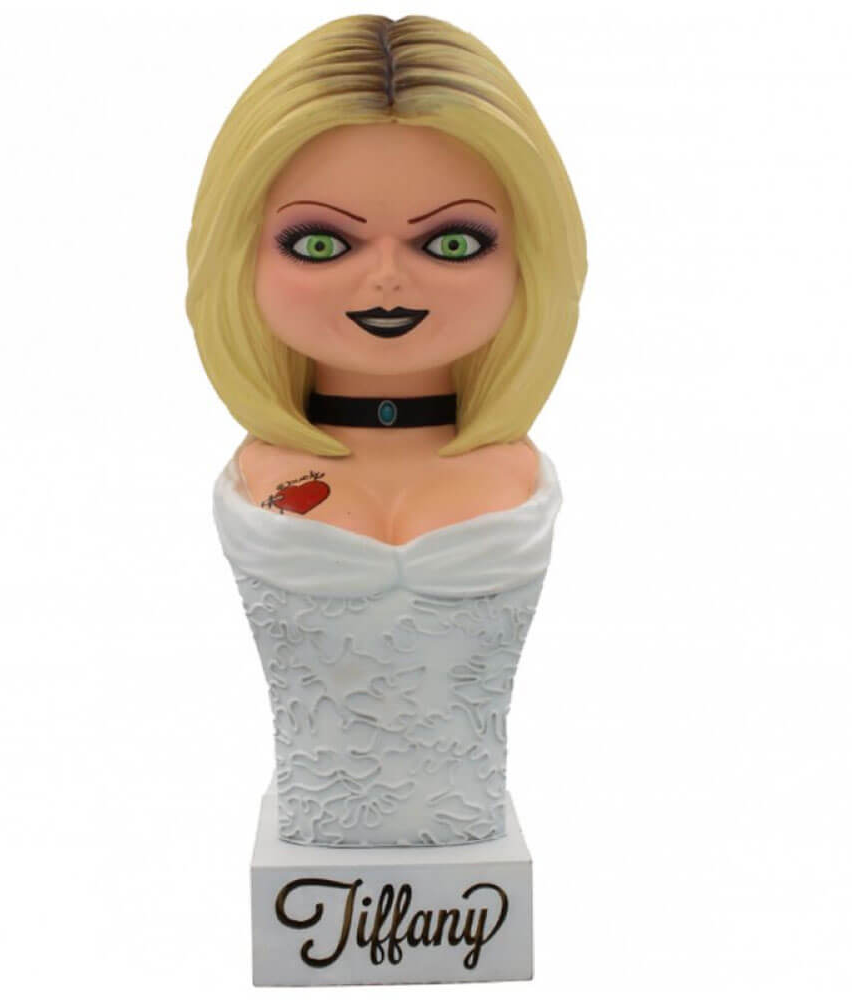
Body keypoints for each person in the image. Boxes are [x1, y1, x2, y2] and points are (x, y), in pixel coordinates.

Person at [187, 14, 586, 846]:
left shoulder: (512, 474)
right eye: (321, 242)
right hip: (314, 853)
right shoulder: (268, 479)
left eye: (452, 241)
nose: (388, 279)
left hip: (472, 860)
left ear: (529, 256)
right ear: (241, 253)